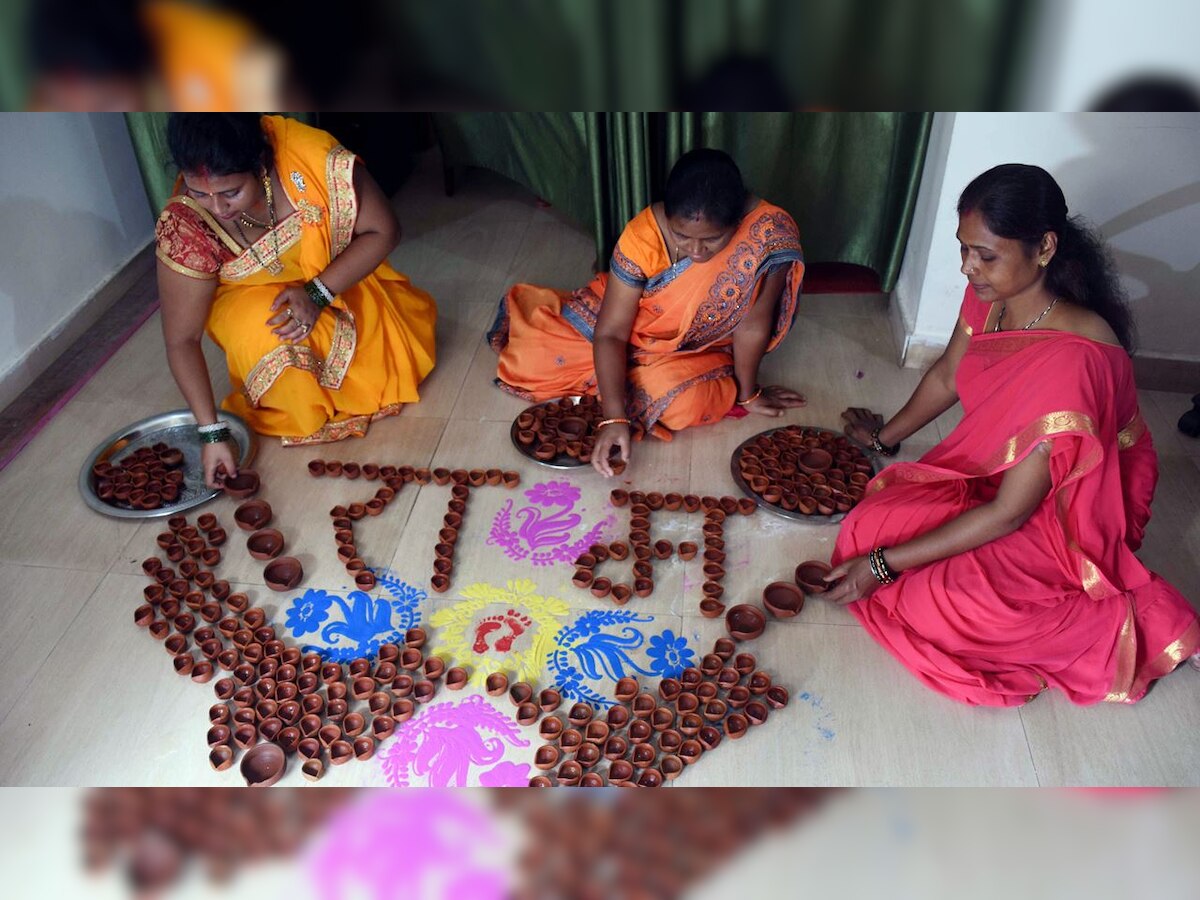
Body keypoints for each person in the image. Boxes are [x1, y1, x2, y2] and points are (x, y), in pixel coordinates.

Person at [827, 163, 1199, 706]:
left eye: (985, 255)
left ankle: (1144, 622)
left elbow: (1010, 514)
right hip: (1003, 481)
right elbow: (950, 374)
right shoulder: (993, 292)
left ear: (1044, 248)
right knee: (868, 526)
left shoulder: (1072, 361)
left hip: (1066, 514)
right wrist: (886, 439)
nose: (968, 268)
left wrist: (882, 567)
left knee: (939, 603)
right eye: (963, 249)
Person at [155, 114, 437, 487]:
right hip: (248, 300)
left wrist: (316, 293)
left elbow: (384, 231)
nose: (217, 209)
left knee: (382, 370)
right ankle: (298, 401)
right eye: (199, 192)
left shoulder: (310, 158)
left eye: (230, 193)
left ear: (260, 163)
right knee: (265, 327)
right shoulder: (188, 224)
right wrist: (211, 432)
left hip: (336, 280)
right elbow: (181, 340)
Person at [487, 148, 807, 477]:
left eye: (712, 240)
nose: (696, 251)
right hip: (625, 325)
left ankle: (630, 377)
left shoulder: (768, 233)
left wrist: (749, 392)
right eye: (682, 236)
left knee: (687, 404)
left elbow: (752, 325)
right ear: (667, 215)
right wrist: (614, 417)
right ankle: (627, 379)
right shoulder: (643, 235)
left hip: (698, 345)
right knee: (531, 357)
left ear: (738, 221)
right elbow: (611, 332)